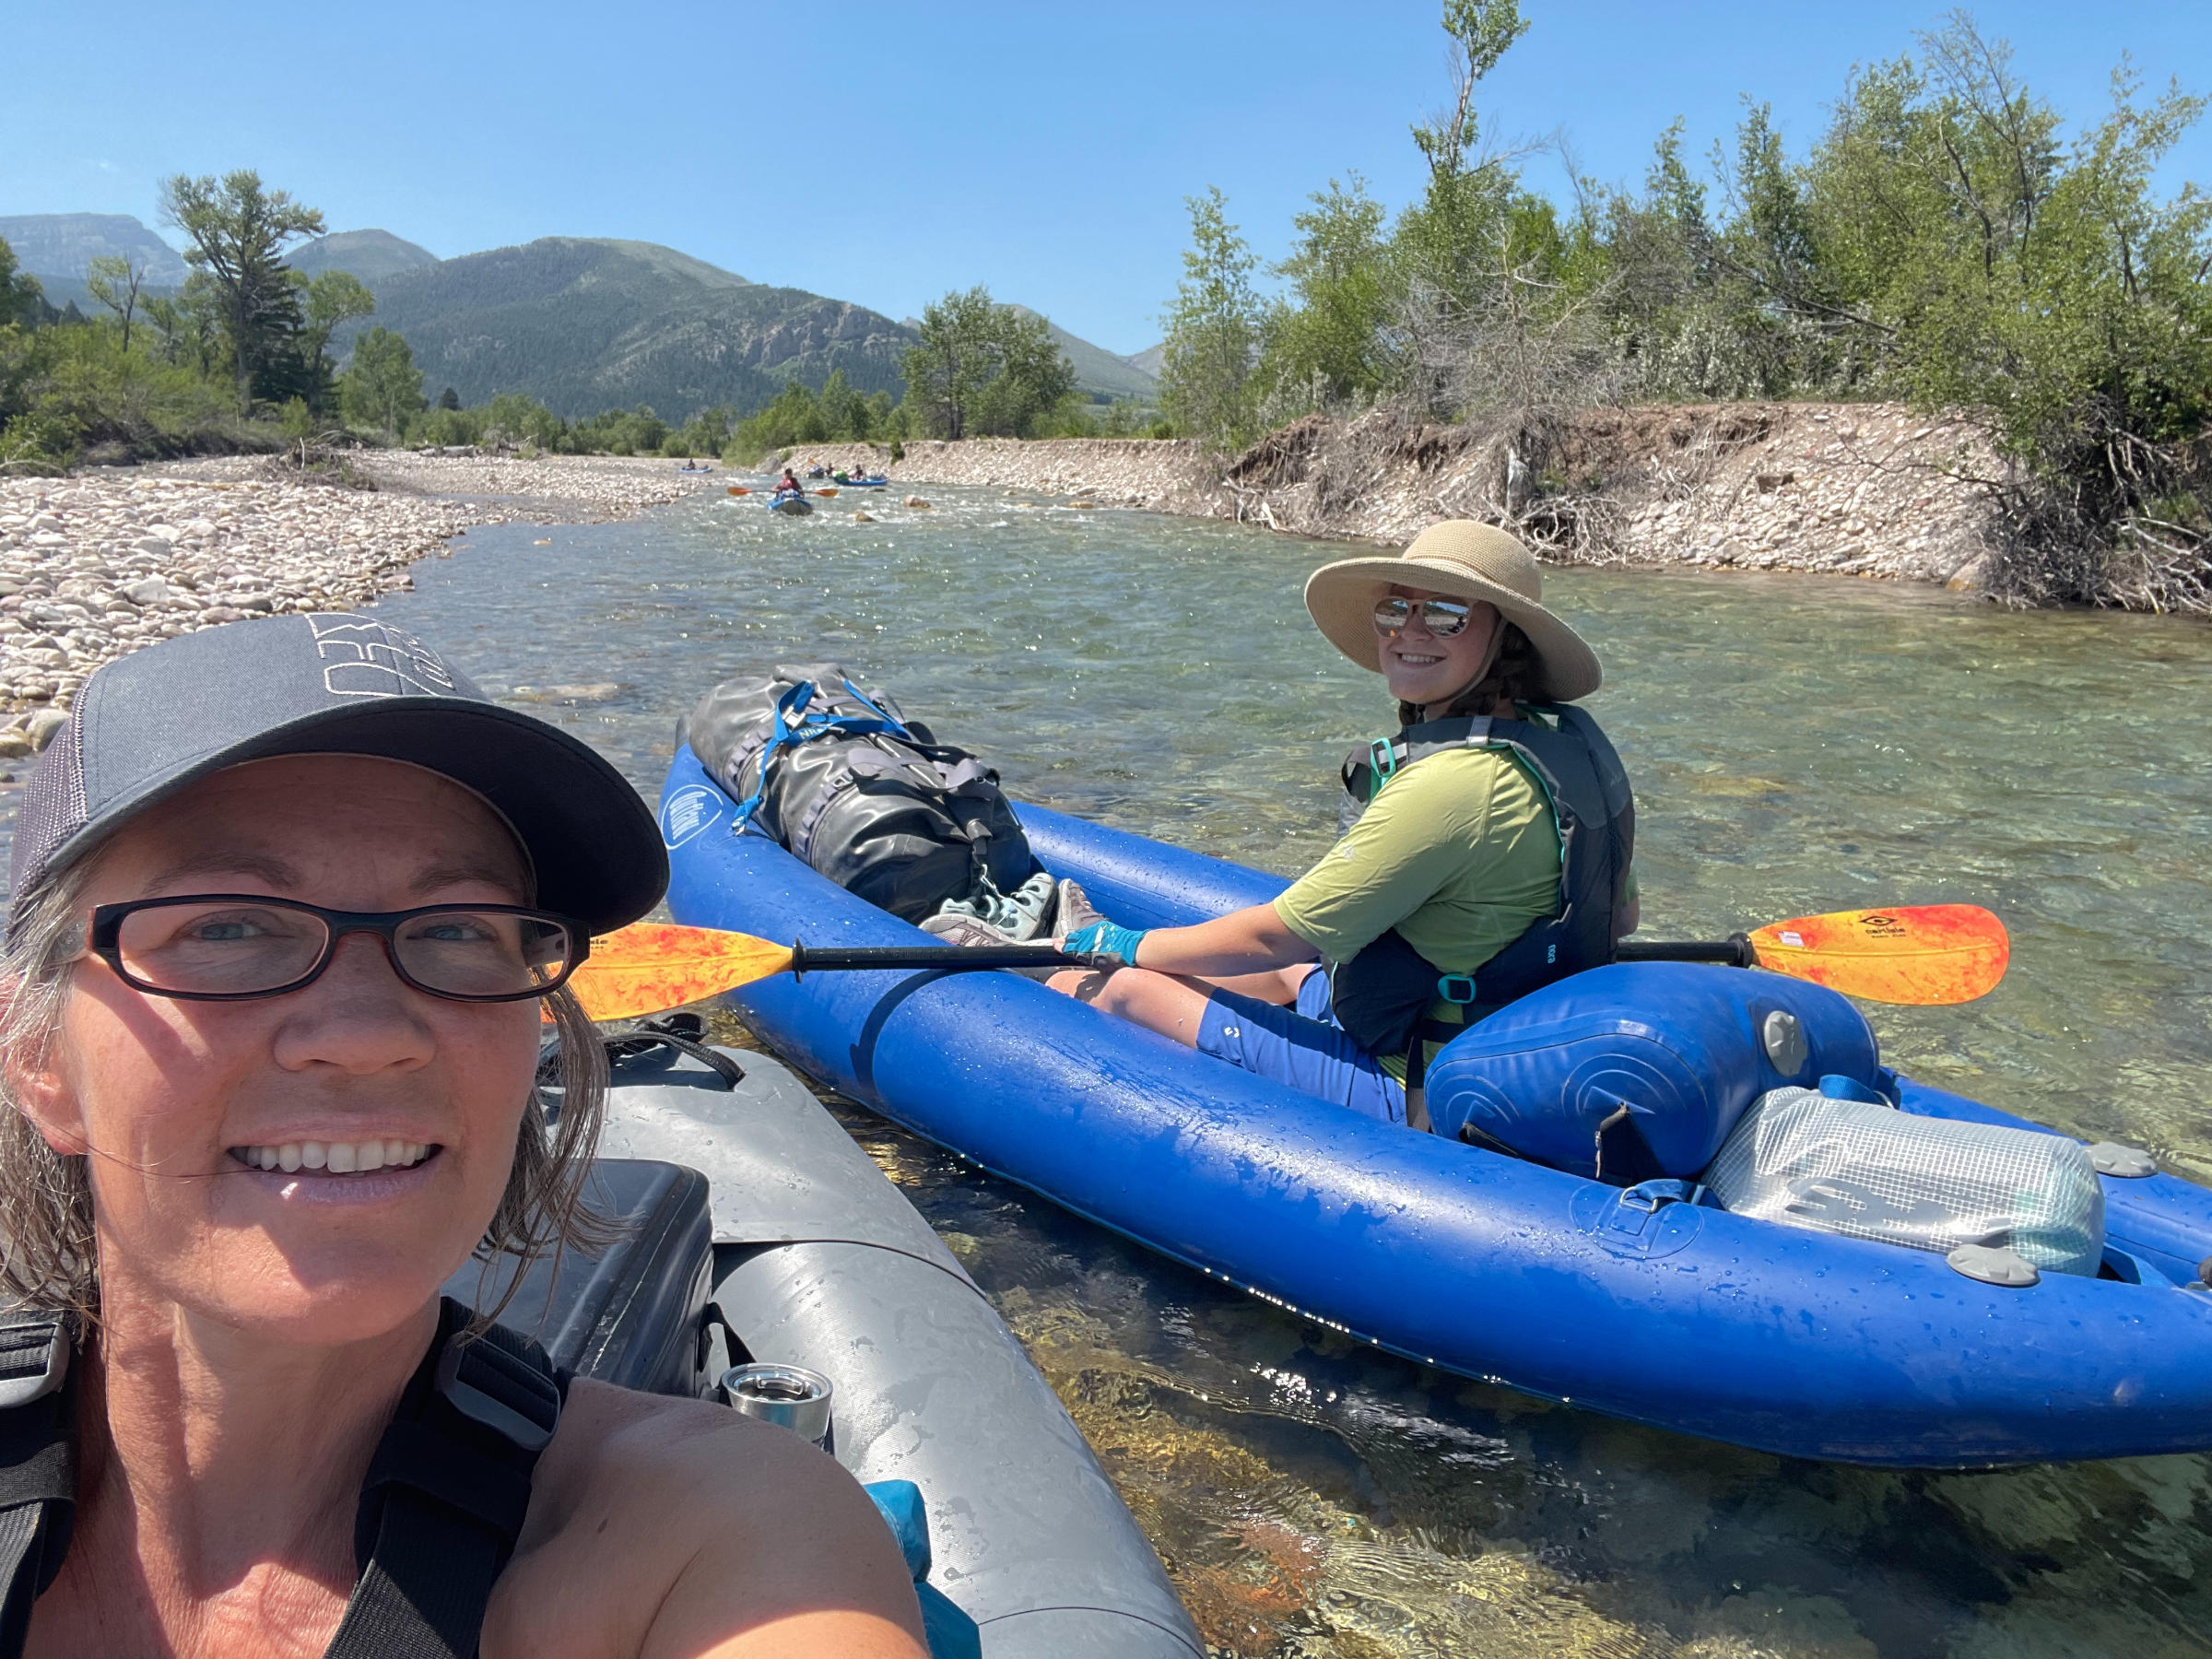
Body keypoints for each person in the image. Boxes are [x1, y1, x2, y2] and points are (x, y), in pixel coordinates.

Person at [0, 615, 926, 1656]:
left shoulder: (714, 1545)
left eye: (456, 930)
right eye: (228, 926)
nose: (366, 1036)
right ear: (40, 1058)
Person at [1035, 521, 1635, 1133]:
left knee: (1129, 990)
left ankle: (1042, 1000)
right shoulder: (1560, 749)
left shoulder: (1456, 782)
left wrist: (1127, 945)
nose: (1410, 630)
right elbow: (1621, 918)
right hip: (1492, 1040)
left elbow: (1279, 935)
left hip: (1422, 1086)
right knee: (1292, 979)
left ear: (1507, 638)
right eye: (1396, 607)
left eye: (1449, 614)